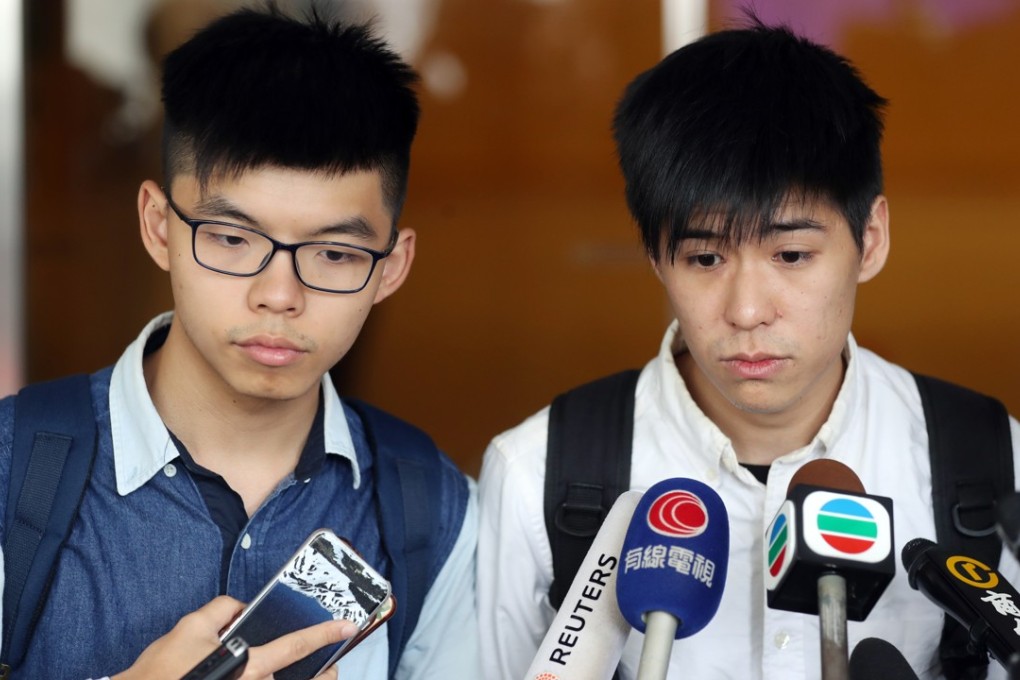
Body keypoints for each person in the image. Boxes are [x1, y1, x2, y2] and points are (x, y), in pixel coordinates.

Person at [477, 18, 1020, 680]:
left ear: (870, 239)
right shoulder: (539, 475)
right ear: (656, 257)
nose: (746, 311)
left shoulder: (992, 464)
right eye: (705, 258)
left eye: (791, 255)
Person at [0, 4, 479, 679]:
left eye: (334, 254)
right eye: (232, 238)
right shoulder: (13, 469)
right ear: (159, 227)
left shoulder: (436, 509)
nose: (279, 294)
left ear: (391, 268)